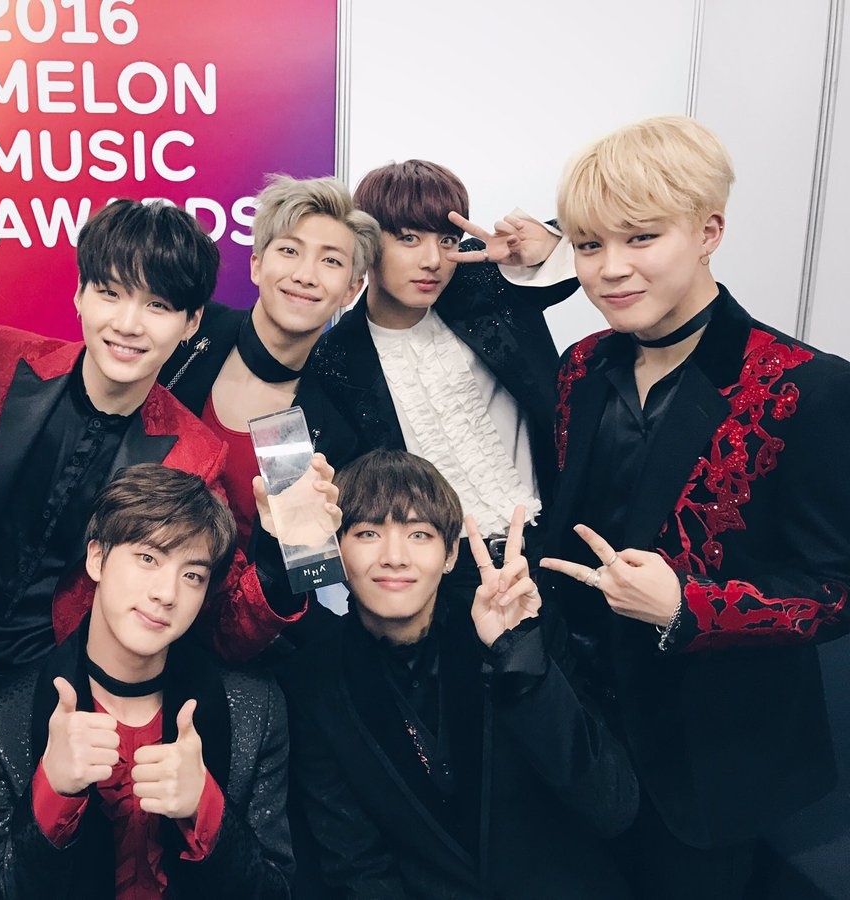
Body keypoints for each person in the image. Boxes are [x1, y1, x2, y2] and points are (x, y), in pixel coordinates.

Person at [0, 198, 329, 896]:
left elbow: (218, 621)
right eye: (111, 292)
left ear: (191, 323)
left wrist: (284, 545)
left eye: (157, 305)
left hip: (42, 710)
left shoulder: (194, 452)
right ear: (80, 294)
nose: (128, 323)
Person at [538, 115, 850, 899]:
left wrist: (688, 607)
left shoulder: (804, 386)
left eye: (641, 238)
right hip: (580, 736)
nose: (611, 269)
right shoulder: (580, 367)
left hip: (712, 764)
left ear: (709, 232)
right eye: (588, 245)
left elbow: (835, 589)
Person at [279, 450, 637, 899]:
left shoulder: (521, 627)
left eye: (419, 534)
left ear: (450, 554)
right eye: (368, 533)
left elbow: (613, 806)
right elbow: (357, 866)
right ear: (337, 550)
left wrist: (518, 656)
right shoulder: (312, 682)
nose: (394, 556)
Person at [0, 464, 293, 899]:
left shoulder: (255, 707)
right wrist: (52, 792)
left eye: (192, 575)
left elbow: (277, 892)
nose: (166, 593)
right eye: (148, 558)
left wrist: (206, 808)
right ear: (96, 559)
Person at [311, 159, 578, 594]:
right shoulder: (335, 358)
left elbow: (579, 261)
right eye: (409, 238)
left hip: (551, 549)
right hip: (438, 578)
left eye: (447, 240)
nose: (433, 260)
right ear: (367, 242)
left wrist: (547, 243)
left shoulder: (485, 284)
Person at [159, 175, 377, 547]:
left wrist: (305, 542)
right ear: (257, 265)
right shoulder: (187, 328)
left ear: (352, 290)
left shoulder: (337, 426)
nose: (305, 276)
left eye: (331, 260)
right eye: (290, 251)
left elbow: (303, 569)